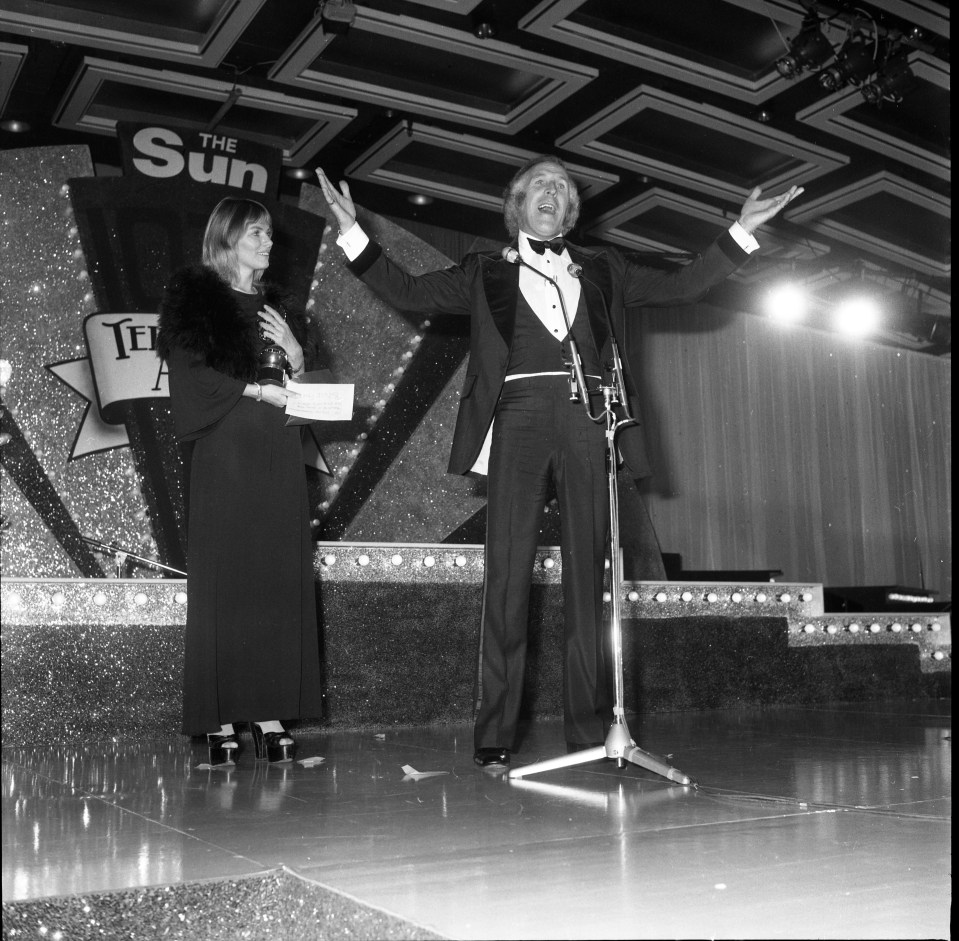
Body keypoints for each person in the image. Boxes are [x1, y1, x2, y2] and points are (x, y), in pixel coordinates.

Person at [316, 158, 802, 770]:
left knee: (586, 584)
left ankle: (589, 731)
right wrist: (352, 230)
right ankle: (494, 734)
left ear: (571, 211)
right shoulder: (484, 271)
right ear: (516, 204)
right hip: (516, 417)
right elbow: (408, 291)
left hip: (589, 423)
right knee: (507, 579)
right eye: (540, 184)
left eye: (563, 187)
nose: (553, 190)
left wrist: (740, 231)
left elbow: (681, 285)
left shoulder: (603, 269)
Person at [157, 196, 324, 765]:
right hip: (224, 456)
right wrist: (255, 389)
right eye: (256, 232)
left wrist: (298, 357)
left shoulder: (279, 309)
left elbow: (310, 396)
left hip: (278, 456)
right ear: (226, 236)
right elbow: (190, 379)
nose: (268, 243)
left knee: (275, 583)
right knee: (229, 582)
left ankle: (270, 711)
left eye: (270, 234)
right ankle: (224, 718)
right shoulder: (195, 300)